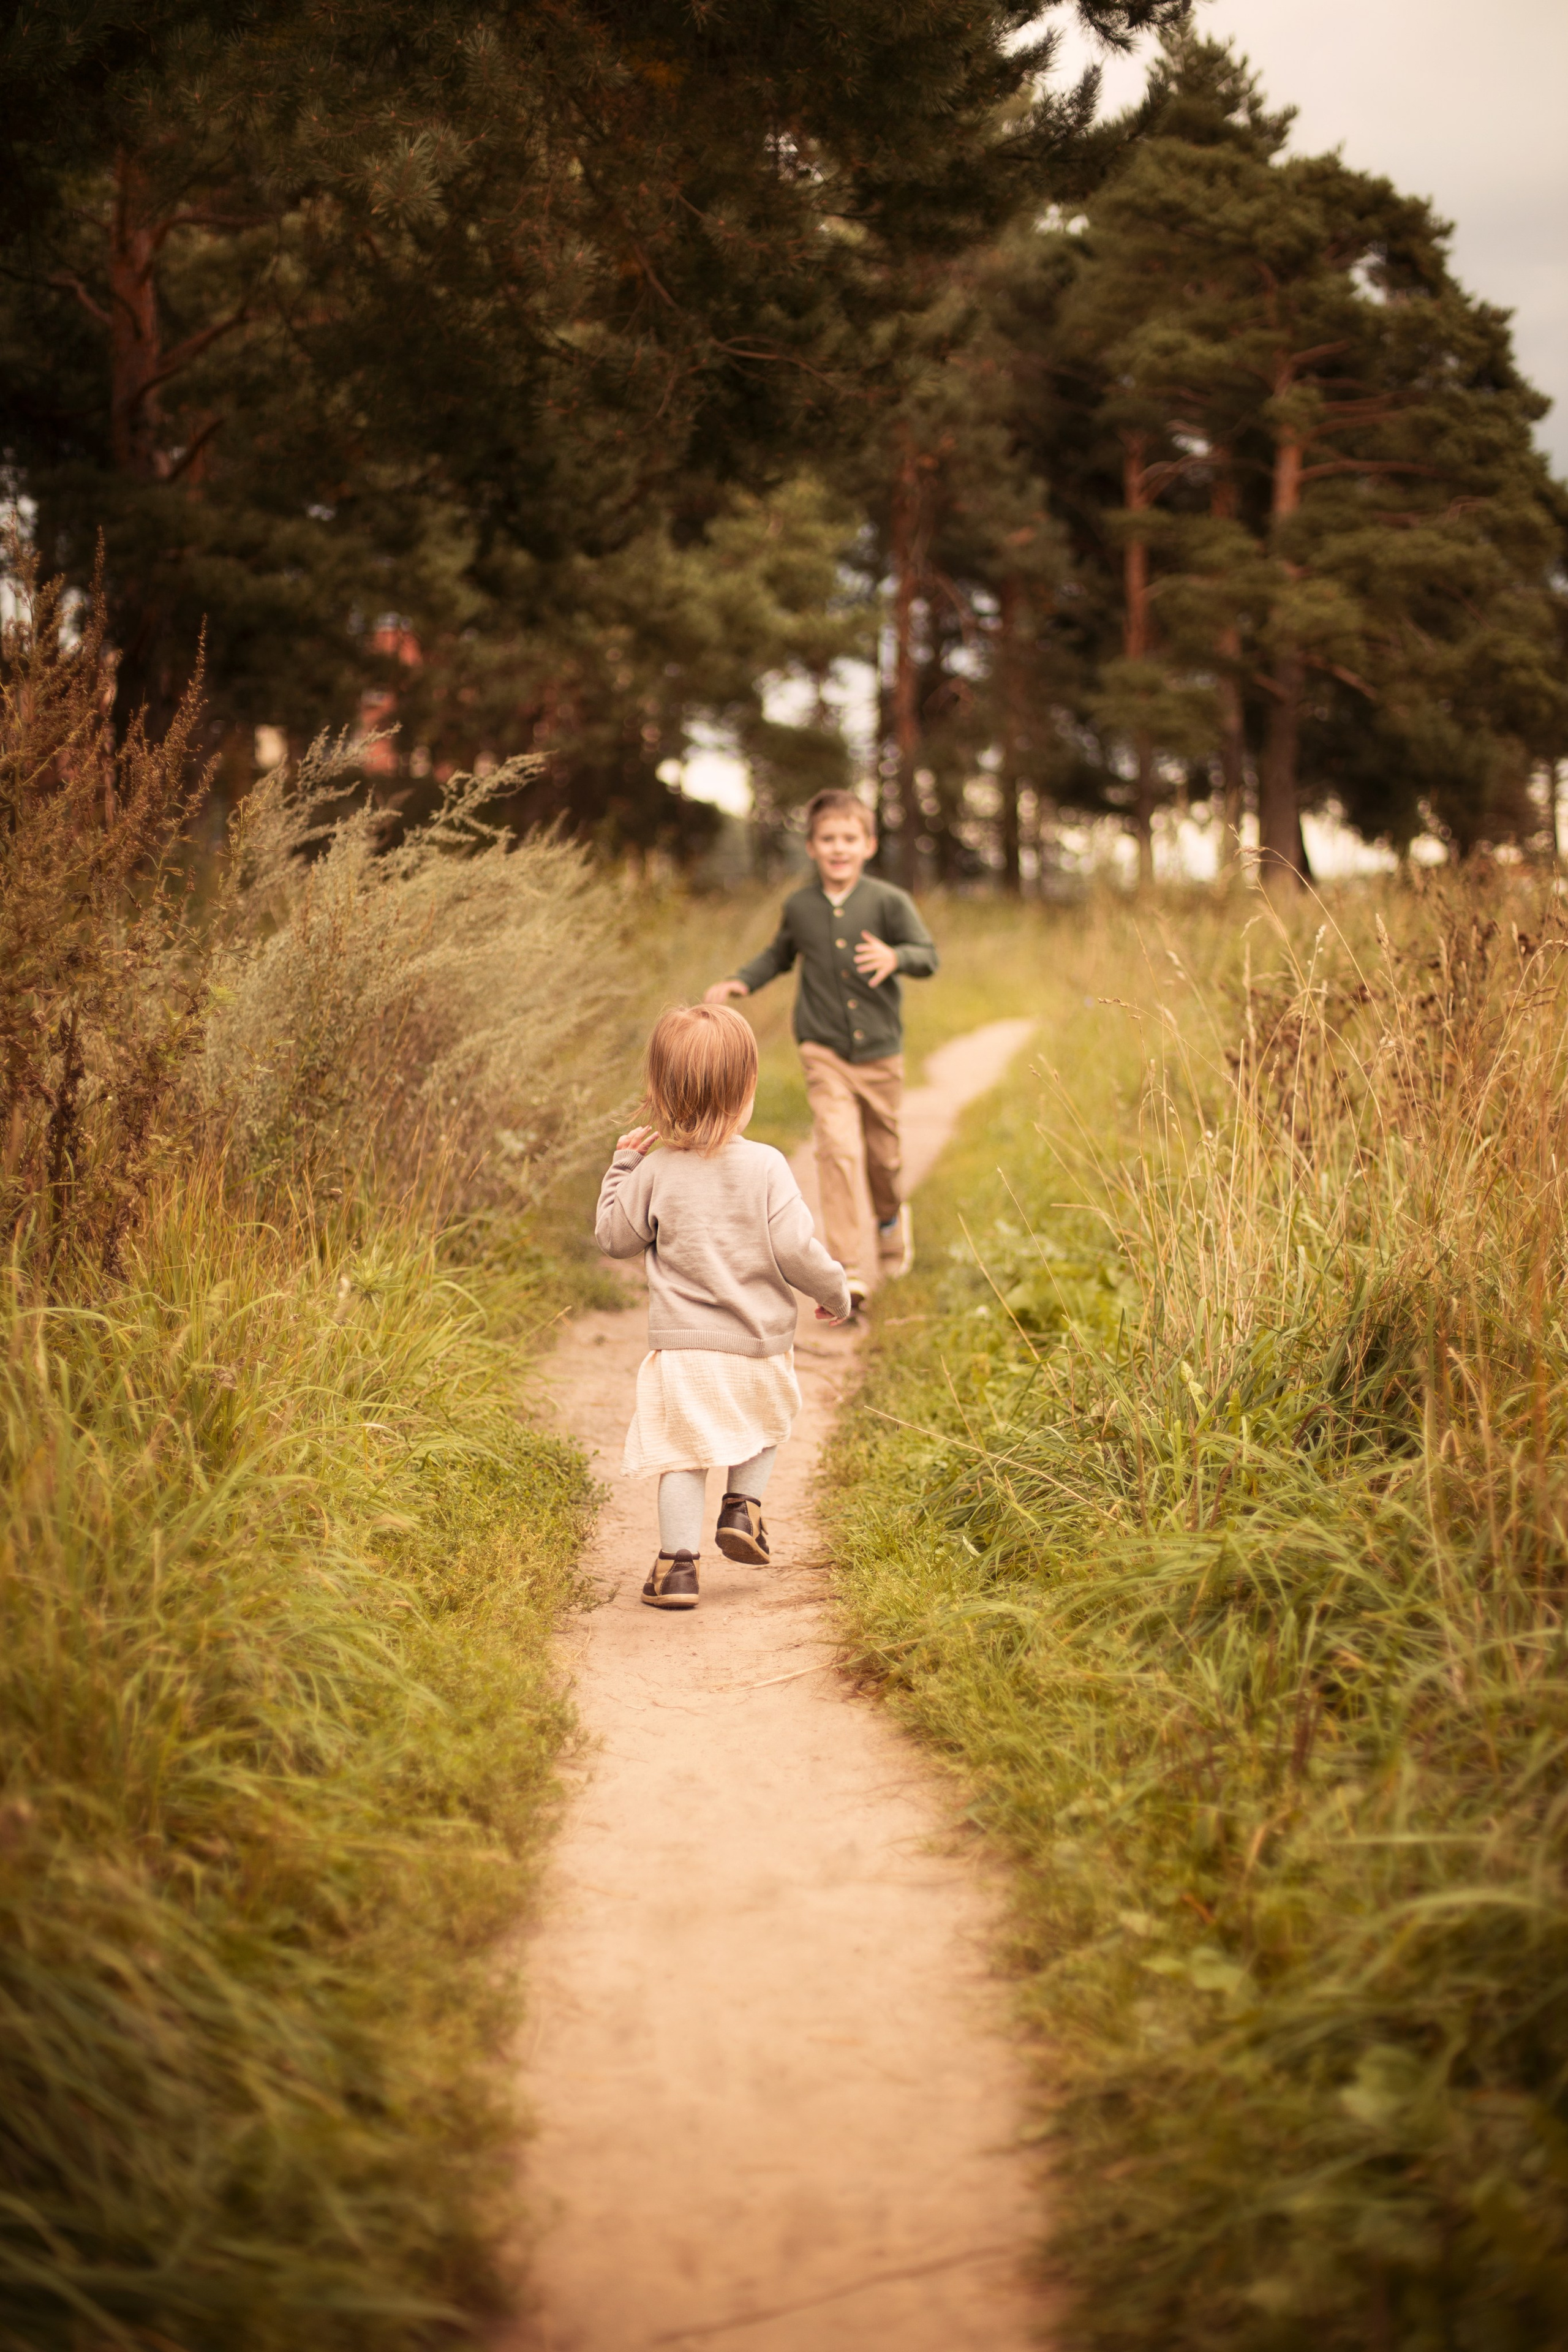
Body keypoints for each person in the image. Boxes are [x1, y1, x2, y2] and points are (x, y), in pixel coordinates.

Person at [596, 1001, 851, 1612]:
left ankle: (676, 1569)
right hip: (759, 1345)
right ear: (747, 1089)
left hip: (684, 1350)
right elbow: (796, 1249)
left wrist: (621, 1168)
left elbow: (615, 1238)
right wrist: (834, 1291)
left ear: (660, 1091)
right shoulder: (766, 1167)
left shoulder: (654, 1171)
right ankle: (743, 1507)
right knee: (765, 1419)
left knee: (684, 1452)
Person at [704, 789, 938, 1312]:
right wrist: (742, 981)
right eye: (829, 839)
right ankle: (849, 1270)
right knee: (838, 1149)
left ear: (869, 845)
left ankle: (891, 1226)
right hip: (823, 1048)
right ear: (811, 847)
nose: (839, 848)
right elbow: (778, 955)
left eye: (849, 839)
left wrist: (896, 956)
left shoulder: (887, 902)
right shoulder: (801, 907)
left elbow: (929, 957)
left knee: (884, 1157)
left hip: (880, 1052)